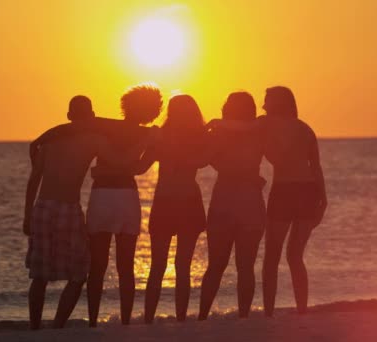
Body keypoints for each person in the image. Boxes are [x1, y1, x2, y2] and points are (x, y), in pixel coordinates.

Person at [24, 96, 142, 330]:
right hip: (68, 208)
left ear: (69, 115)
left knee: (40, 276)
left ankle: (35, 328)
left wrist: (27, 214)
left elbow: (33, 180)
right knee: (78, 275)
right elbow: (121, 162)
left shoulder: (50, 141)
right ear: (91, 116)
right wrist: (145, 145)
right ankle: (57, 326)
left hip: (44, 207)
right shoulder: (94, 140)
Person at [207, 86, 327, 316]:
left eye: (267, 101)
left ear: (278, 103)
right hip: (309, 192)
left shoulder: (266, 122)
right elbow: (316, 167)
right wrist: (324, 199)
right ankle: (302, 311)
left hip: (284, 191)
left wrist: (216, 123)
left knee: (272, 257)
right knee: (295, 256)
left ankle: (270, 313)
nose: (262, 106)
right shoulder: (305, 129)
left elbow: (242, 126)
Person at [85, 84, 162, 326]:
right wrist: (121, 164)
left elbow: (70, 127)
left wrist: (104, 168)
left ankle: (93, 322)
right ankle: (125, 322)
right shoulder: (149, 134)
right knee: (124, 266)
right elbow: (138, 168)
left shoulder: (105, 125)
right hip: (125, 197)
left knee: (98, 265)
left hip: (103, 196)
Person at [139, 95, 210, 323]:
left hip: (170, 202)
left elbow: (141, 166)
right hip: (184, 202)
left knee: (159, 266)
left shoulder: (163, 137)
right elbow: (203, 160)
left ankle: (151, 318)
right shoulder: (198, 137)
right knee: (181, 266)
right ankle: (178, 318)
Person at [197, 92, 266, 320]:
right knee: (245, 267)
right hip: (250, 200)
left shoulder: (219, 132)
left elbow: (202, 160)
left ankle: (202, 316)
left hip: (225, 199)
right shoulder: (259, 131)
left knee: (216, 265)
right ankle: (244, 317)